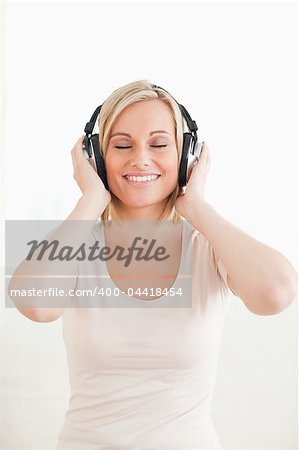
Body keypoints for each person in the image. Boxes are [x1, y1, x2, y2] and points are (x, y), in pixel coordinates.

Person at [8, 80, 297, 449]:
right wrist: (91, 199)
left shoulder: (209, 245)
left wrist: (197, 206)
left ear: (186, 156)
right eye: (122, 145)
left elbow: (277, 293)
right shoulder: (75, 241)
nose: (140, 158)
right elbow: (35, 304)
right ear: (95, 157)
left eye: (159, 144)